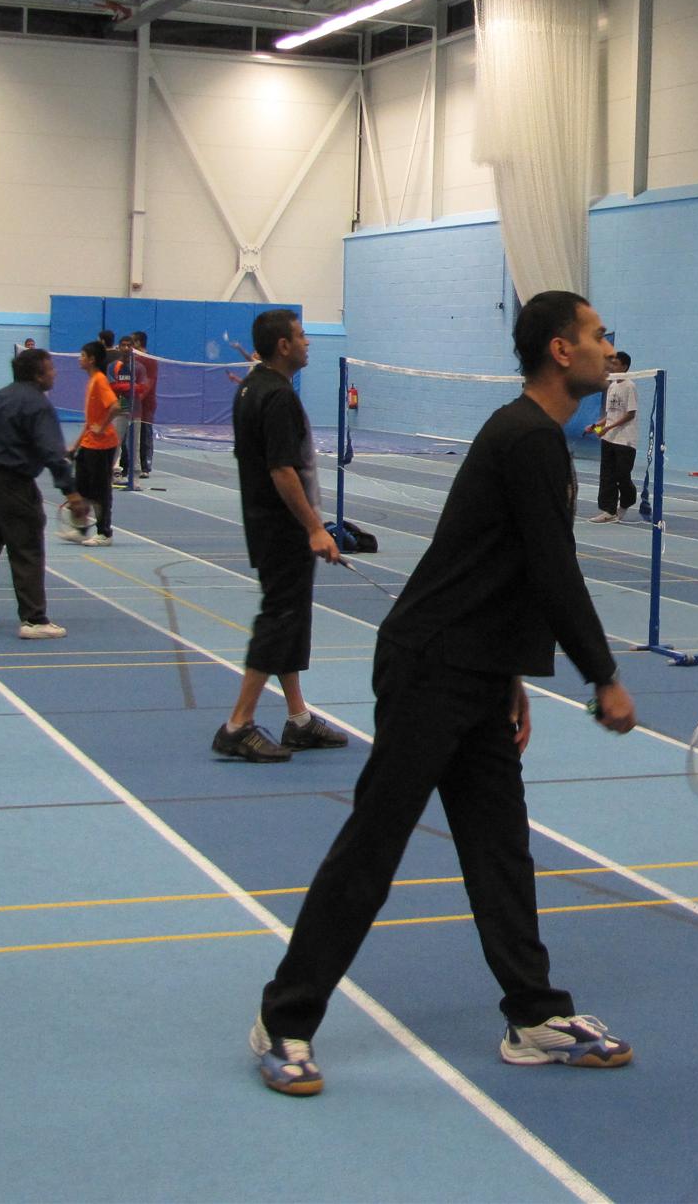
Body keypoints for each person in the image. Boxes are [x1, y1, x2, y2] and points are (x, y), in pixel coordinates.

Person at [247, 290, 638, 1098]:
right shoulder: (526, 437)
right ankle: (283, 1018)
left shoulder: (536, 439)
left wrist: (508, 677)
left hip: (473, 671)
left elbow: (513, 571)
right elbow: (553, 572)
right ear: (561, 352)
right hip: (429, 669)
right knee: (374, 847)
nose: (609, 347)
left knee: (500, 847)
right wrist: (602, 674)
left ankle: (534, 1016)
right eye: (598, 336)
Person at [213, 311, 353, 763]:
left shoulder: (250, 388)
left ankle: (297, 719)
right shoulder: (277, 398)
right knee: (279, 616)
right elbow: (280, 469)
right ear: (283, 346)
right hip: (283, 528)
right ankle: (238, 724)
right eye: (301, 336)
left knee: (290, 615)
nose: (308, 342)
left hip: (265, 523)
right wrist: (314, 527)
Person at [0, 349, 89, 639]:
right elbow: (53, 452)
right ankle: (34, 619)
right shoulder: (37, 404)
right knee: (26, 546)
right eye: (50, 369)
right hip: (14, 481)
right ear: (38, 374)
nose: (55, 373)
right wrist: (72, 492)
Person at [72, 340, 121, 546]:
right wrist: (74, 447)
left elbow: (116, 406)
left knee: (100, 492)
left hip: (103, 446)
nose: (79, 359)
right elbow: (89, 421)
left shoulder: (100, 380)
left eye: (82, 355)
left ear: (91, 359)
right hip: (88, 444)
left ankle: (104, 533)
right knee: (81, 489)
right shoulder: (91, 381)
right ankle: (82, 528)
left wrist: (101, 427)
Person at [589, 348, 638, 522]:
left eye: (616, 363)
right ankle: (608, 511)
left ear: (624, 367)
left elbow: (630, 414)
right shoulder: (611, 386)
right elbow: (610, 415)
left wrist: (608, 428)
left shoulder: (629, 386)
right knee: (607, 475)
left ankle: (627, 500)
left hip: (625, 440)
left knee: (622, 476)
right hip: (608, 439)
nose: (612, 366)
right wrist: (596, 426)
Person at [128, 331, 158, 476]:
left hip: (146, 404)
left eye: (132, 342)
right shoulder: (130, 359)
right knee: (131, 435)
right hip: (131, 404)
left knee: (145, 434)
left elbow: (149, 383)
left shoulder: (150, 360)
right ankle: (128, 465)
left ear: (139, 342)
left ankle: (145, 467)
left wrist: (137, 398)